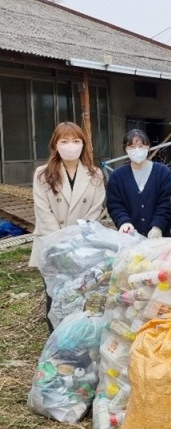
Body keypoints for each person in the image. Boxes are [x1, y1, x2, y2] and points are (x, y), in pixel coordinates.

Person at [31, 122, 106, 329]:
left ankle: (78, 343)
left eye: (76, 141)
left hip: (82, 246)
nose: (70, 146)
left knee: (81, 294)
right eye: (64, 141)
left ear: (83, 145)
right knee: (54, 296)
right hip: (50, 247)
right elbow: (43, 212)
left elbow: (95, 211)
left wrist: (75, 244)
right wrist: (60, 246)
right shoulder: (42, 174)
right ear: (55, 145)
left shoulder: (95, 174)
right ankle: (55, 346)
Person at [107, 129, 171, 238]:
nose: (137, 150)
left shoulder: (163, 173)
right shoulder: (117, 176)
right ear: (125, 149)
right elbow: (115, 205)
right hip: (129, 238)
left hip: (161, 238)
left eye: (141, 146)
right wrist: (124, 222)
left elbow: (166, 203)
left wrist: (158, 226)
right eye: (132, 147)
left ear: (148, 147)